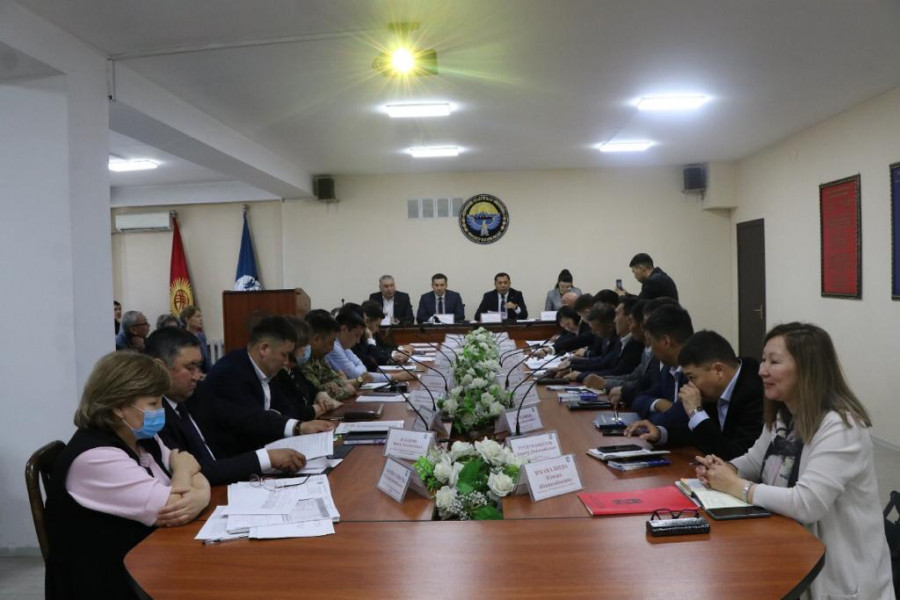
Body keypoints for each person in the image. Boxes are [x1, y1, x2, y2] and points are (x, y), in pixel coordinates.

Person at [694, 323, 892, 599]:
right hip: (792, 552)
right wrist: (725, 469)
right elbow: (754, 460)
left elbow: (807, 503)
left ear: (807, 370)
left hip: (842, 579)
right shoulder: (783, 415)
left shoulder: (841, 426)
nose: (762, 370)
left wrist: (736, 486)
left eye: (774, 362)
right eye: (763, 360)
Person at [45, 352, 210, 599]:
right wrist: (186, 475)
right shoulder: (95, 458)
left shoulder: (142, 437)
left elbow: (190, 467)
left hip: (144, 562)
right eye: (153, 404)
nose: (161, 411)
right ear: (119, 407)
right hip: (107, 583)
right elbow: (172, 509)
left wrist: (196, 487)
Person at [147, 327, 307, 485]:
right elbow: (196, 471)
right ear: (160, 368)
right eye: (190, 367)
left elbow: (239, 416)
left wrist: (296, 427)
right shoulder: (152, 416)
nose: (197, 375)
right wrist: (266, 458)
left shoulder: (196, 393)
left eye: (198, 366)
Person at [195, 315, 334, 457]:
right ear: (264, 348)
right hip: (233, 460)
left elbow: (287, 411)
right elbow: (253, 419)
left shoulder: (268, 372)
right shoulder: (230, 372)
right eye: (284, 355)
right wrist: (298, 427)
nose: (287, 362)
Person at [624, 330, 763, 460]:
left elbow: (735, 456)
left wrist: (696, 411)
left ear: (718, 370)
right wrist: (660, 434)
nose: (690, 385)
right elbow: (695, 433)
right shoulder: (714, 390)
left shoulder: (755, 392)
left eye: (692, 377)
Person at [629, 303, 693, 427]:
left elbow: (678, 420)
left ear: (665, 342)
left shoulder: (695, 373)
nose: (650, 348)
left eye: (650, 341)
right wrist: (658, 403)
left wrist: (666, 414)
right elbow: (639, 399)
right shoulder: (668, 369)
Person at [326, 308, 414, 384]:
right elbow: (357, 375)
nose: (358, 341)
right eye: (356, 335)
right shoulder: (334, 347)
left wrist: (360, 375)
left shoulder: (343, 345)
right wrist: (394, 377)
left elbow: (363, 370)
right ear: (344, 329)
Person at [301, 309, 358, 401]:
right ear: (316, 339)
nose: (332, 349)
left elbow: (338, 380)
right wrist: (346, 391)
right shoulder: (303, 360)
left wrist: (331, 386)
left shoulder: (319, 357)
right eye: (330, 342)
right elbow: (315, 393)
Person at [180, 305, 211, 373]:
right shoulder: (182, 337)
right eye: (197, 316)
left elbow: (207, 359)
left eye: (200, 316)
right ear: (187, 319)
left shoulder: (201, 336)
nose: (201, 319)